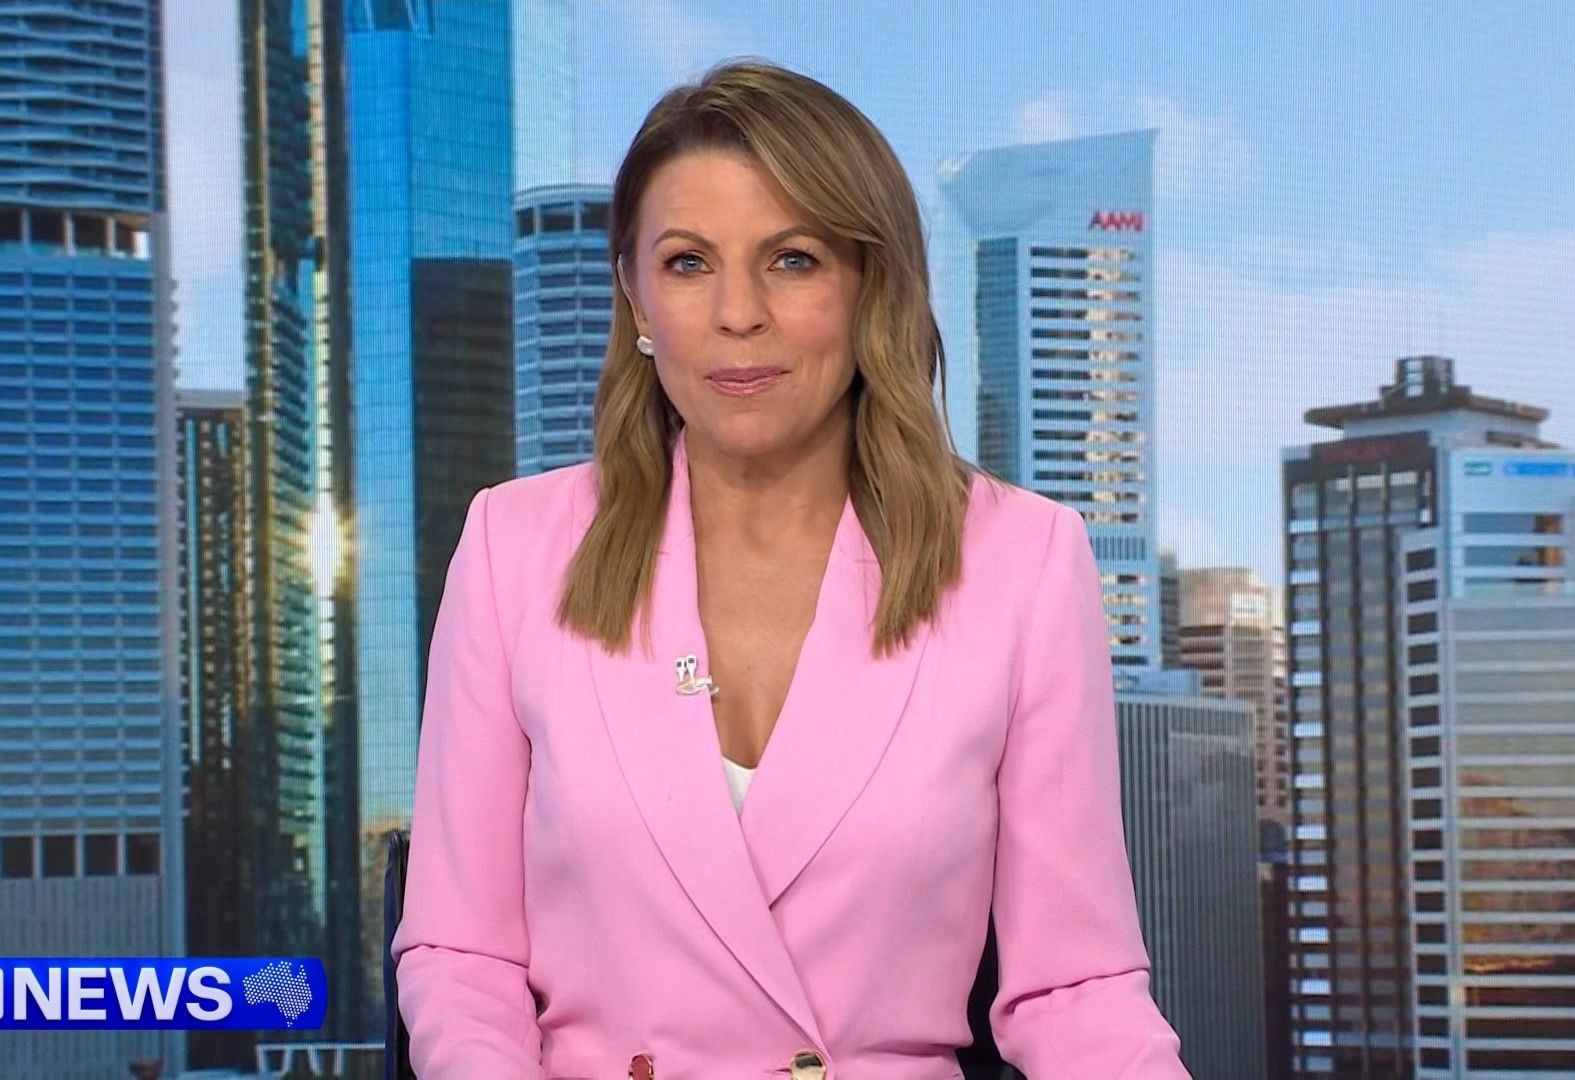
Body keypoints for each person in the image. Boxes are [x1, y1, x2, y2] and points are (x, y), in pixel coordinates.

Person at [390, 57, 1190, 1079]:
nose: (738, 313)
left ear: (870, 284)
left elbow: (1074, 990)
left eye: (793, 260)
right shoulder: (514, 547)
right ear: (635, 297)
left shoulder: (1023, 560)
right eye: (688, 263)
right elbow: (463, 956)